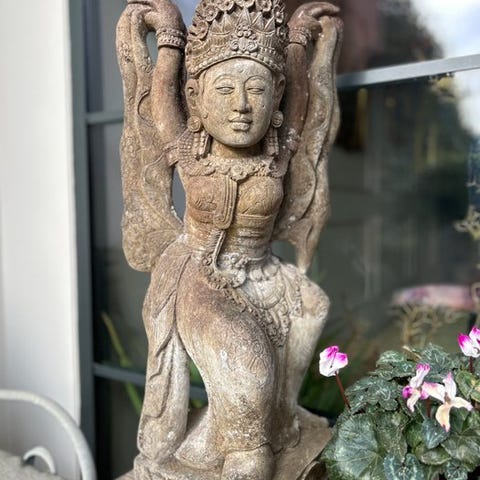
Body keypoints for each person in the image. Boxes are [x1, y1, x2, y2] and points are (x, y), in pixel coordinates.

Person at [116, 0, 342, 478]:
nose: (242, 105)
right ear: (196, 97)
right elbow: (162, 101)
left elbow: (300, 102)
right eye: (225, 89)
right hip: (201, 274)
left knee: (313, 303)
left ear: (274, 98)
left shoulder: (278, 153)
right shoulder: (190, 151)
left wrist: (299, 39)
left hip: (264, 272)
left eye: (257, 89)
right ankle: (248, 446)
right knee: (249, 372)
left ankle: (276, 418)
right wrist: (169, 37)